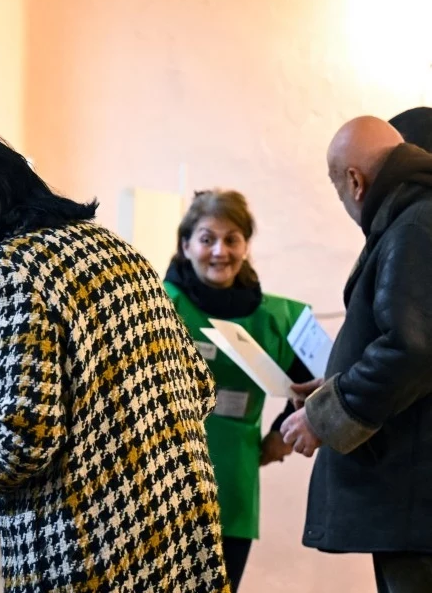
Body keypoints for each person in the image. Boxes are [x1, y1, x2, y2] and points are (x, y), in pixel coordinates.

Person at [0, 130, 228, 592]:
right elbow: (198, 385)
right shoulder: (112, 247)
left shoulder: (10, 268)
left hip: (86, 540)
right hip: (179, 522)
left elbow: (21, 444)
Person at [281, 116, 432, 593]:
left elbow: (411, 349)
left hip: (413, 501)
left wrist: (324, 415)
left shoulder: (414, 224)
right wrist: (335, 380)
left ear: (354, 180)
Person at [164, 189, 316, 591]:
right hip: (162, 490)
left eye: (231, 238)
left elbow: (318, 387)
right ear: (186, 245)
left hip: (234, 489)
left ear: (245, 245)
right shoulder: (160, 308)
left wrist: (280, 440)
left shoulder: (278, 318)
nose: (220, 251)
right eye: (207, 238)